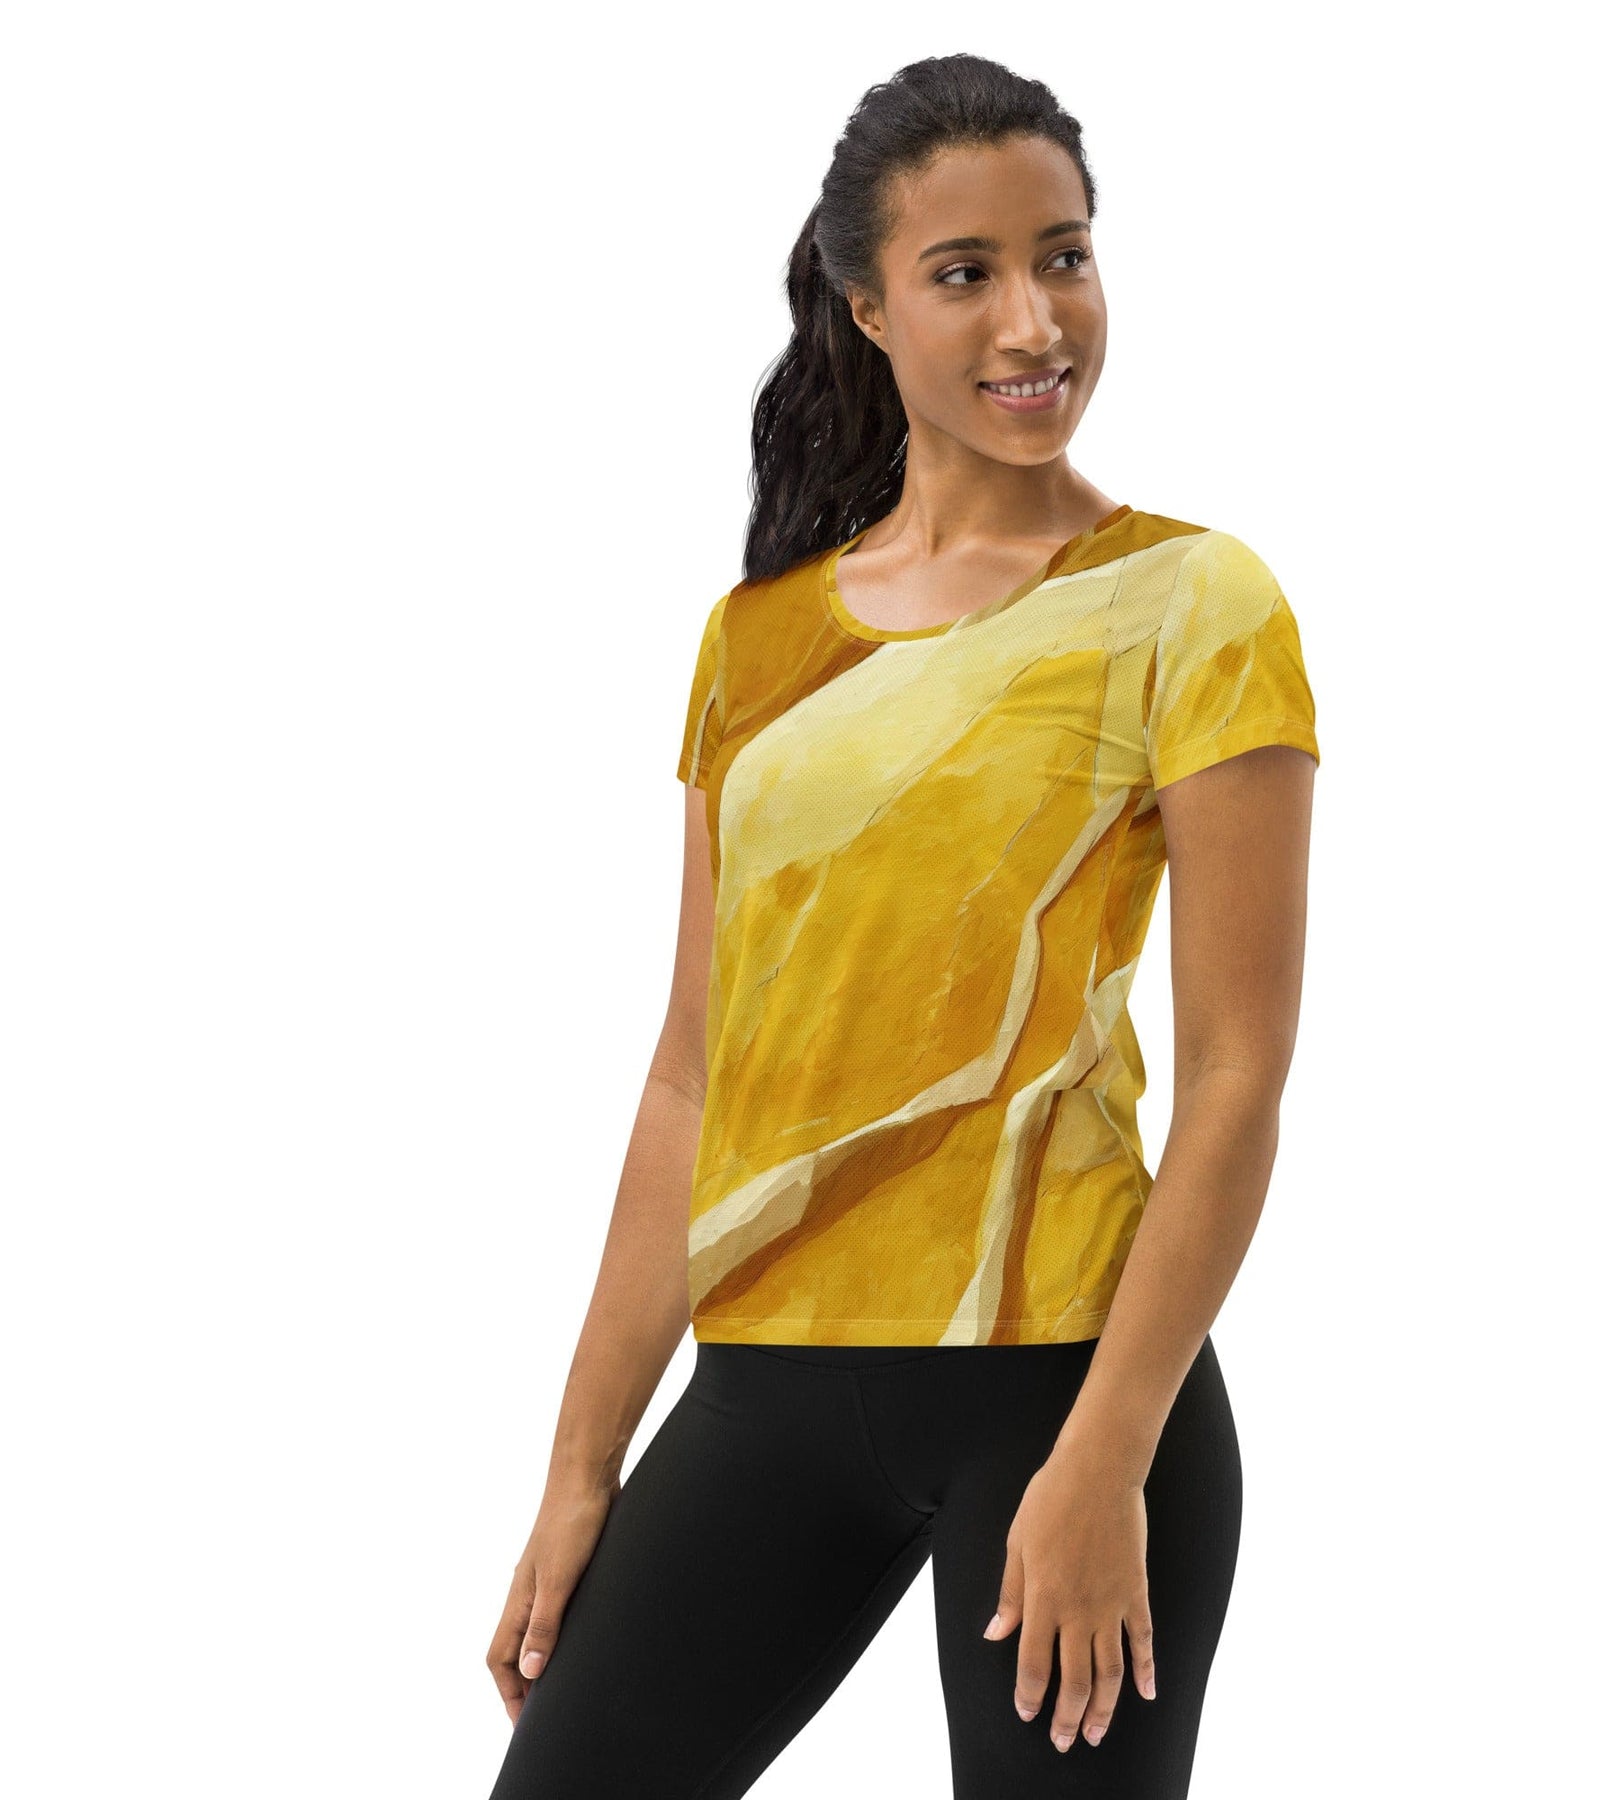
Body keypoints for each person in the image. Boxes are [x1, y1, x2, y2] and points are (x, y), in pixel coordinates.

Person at [483, 52, 1318, 1800]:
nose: (1035, 320)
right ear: (867, 305)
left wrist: (1106, 1462)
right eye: (965, 273)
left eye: (1065, 256)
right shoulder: (759, 643)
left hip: (1071, 1387)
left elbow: (1239, 1080)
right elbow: (692, 1075)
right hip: (767, 1388)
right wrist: (580, 1466)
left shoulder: (1191, 604)